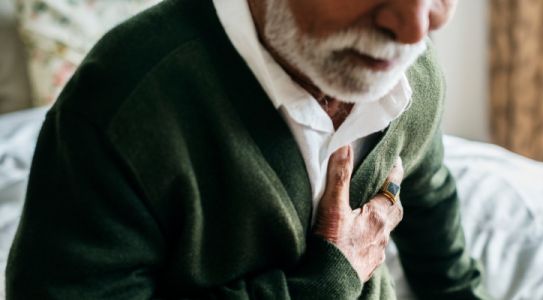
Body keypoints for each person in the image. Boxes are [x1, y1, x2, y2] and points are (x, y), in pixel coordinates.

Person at [6, 0, 490, 299]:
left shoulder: (417, 76)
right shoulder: (120, 105)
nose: (414, 29)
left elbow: (431, 210)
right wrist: (322, 285)